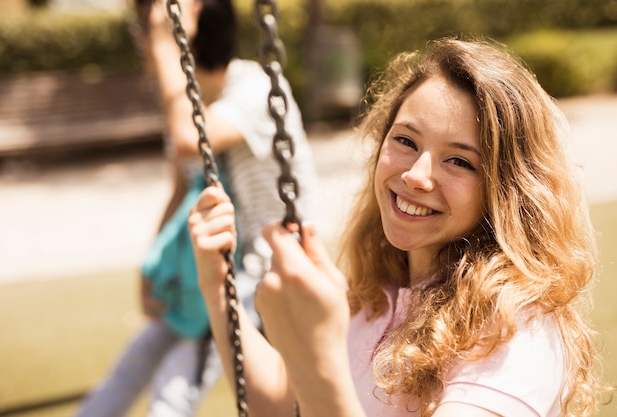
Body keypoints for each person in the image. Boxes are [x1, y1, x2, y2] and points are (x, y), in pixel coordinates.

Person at [189, 37, 613, 417]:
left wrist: (318, 360)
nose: (417, 175)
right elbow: (282, 403)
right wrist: (217, 285)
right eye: (406, 141)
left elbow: (319, 392)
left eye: (460, 161)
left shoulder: (516, 330)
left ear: (507, 189)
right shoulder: (379, 298)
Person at [75, 0, 316, 416]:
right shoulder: (188, 107)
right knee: (134, 362)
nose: (142, 42)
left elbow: (190, 140)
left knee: (174, 386)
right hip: (209, 267)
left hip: (261, 268)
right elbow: (179, 190)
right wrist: (152, 265)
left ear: (188, 37)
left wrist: (167, 42)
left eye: (146, 31)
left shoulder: (255, 86)